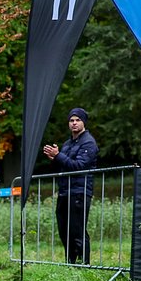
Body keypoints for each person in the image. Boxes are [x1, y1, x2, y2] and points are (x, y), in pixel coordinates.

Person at [43, 108, 99, 264]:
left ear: (83, 122)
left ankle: (84, 263)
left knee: (77, 230)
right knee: (64, 230)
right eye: (71, 120)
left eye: (77, 120)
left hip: (79, 191)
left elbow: (79, 166)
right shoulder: (67, 143)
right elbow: (63, 166)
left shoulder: (89, 142)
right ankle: (70, 262)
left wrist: (58, 155)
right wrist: (53, 158)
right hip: (64, 192)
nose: (74, 123)